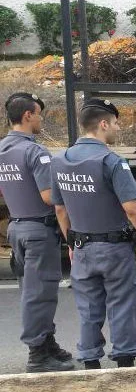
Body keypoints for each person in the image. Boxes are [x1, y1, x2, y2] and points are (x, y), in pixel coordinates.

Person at [51, 99, 136, 369]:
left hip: (82, 247)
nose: (117, 127)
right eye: (114, 123)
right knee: (122, 303)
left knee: (88, 308)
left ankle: (90, 363)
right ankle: (125, 363)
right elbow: (132, 210)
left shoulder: (60, 161)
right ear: (103, 124)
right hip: (115, 250)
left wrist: (70, 242)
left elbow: (60, 209)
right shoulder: (111, 161)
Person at [0, 92, 74, 373]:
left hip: (17, 228)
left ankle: (47, 344)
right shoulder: (35, 152)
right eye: (39, 114)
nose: (41, 119)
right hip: (38, 231)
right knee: (40, 294)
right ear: (28, 116)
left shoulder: (3, 149)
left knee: (31, 292)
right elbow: (49, 198)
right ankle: (38, 356)